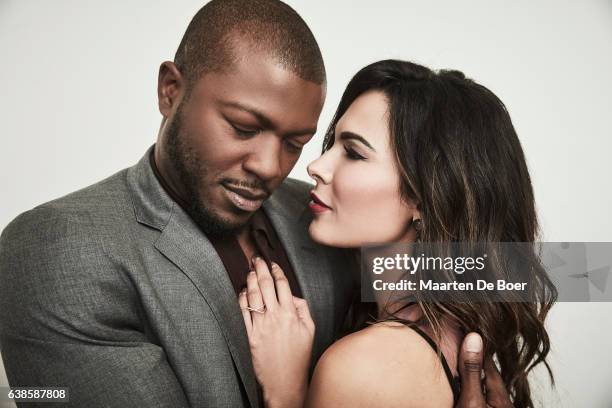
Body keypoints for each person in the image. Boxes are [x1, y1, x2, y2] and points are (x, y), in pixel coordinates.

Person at [0, 0, 511, 406]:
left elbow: (543, 268)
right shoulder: (56, 249)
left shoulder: (320, 213)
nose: (274, 167)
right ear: (170, 92)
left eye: (296, 141)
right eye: (244, 128)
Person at [240, 60, 556, 408]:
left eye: (354, 153)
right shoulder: (456, 339)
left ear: (424, 196)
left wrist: (285, 394)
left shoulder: (364, 370)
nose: (317, 167)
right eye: (332, 146)